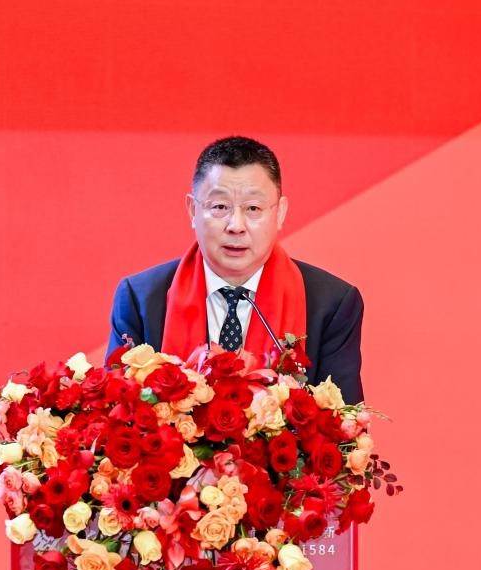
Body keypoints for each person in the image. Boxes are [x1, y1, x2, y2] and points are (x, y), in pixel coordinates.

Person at [108, 135, 365, 403]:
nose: (236, 226)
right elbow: (113, 408)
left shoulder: (331, 304)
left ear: (280, 213)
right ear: (193, 210)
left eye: (253, 208)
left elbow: (346, 420)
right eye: (220, 207)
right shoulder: (140, 299)